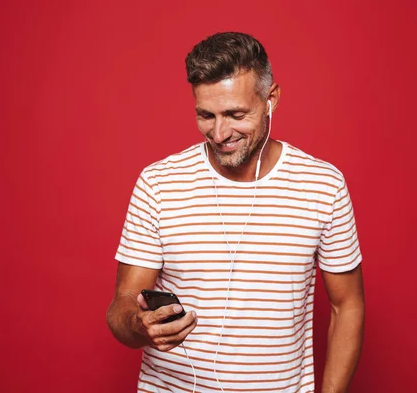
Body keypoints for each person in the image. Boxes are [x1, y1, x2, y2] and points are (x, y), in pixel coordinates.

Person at [106, 32, 365, 393]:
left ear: (271, 99)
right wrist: (140, 324)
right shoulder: (158, 184)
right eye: (206, 115)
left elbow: (346, 305)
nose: (220, 132)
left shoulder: (324, 186)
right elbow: (121, 308)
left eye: (236, 114)